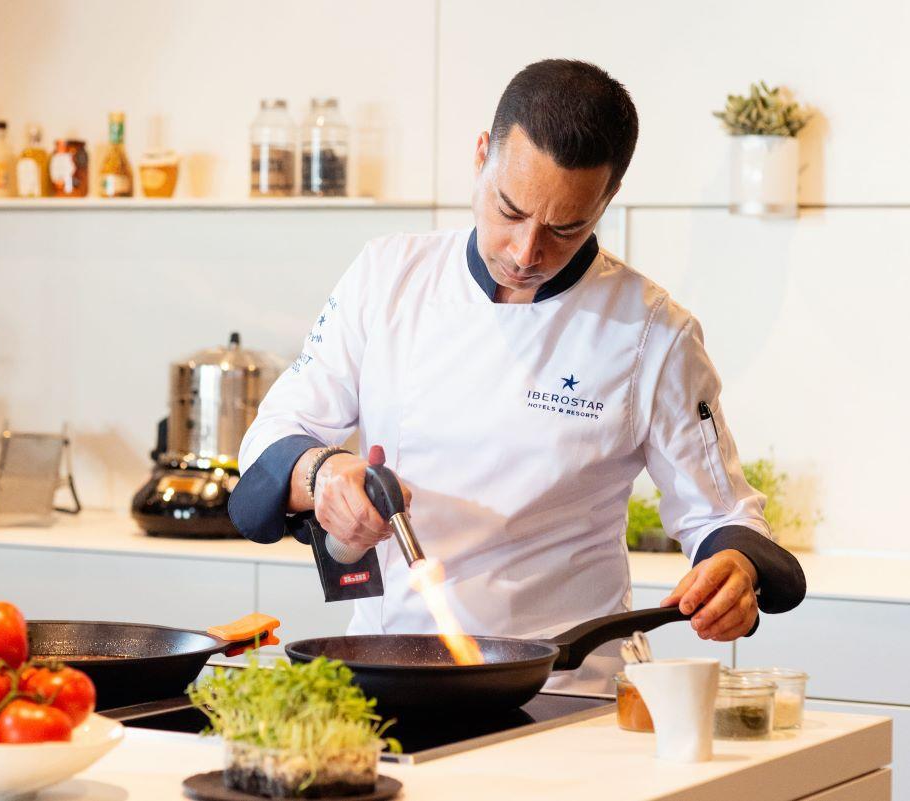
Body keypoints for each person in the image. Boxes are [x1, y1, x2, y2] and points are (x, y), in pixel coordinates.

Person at [229, 59, 805, 690]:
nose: (526, 252)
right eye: (509, 210)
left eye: (566, 228)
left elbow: (722, 513)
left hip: (565, 687)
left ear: (607, 201)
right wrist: (322, 473)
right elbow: (273, 437)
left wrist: (734, 569)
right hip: (392, 670)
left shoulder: (653, 332)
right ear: (482, 155)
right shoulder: (387, 275)